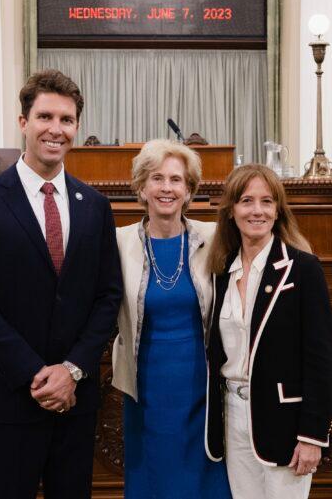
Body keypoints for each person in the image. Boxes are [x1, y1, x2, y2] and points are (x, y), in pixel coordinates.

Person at [0, 69, 123, 499]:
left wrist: (71, 371)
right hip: (11, 398)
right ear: (23, 121)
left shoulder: (96, 207)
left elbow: (108, 298)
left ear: (77, 128)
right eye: (45, 116)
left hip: (76, 401)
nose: (56, 129)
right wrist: (38, 374)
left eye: (66, 120)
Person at [205, 164, 332, 499]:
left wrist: (312, 435)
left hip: (285, 422)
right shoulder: (221, 271)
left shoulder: (303, 268)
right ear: (231, 210)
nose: (257, 210)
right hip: (233, 417)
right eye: (247, 201)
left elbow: (321, 358)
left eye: (266, 201)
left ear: (278, 210)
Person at [112, 139, 231, 499]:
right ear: (141, 187)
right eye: (157, 178)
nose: (167, 188)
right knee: (153, 481)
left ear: (190, 189)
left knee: (202, 482)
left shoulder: (214, 238)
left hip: (202, 387)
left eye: (177, 180)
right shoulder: (118, 242)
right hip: (145, 388)